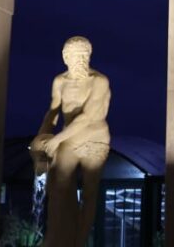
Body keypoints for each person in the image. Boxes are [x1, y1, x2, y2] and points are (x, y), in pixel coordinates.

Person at [31, 36, 113, 247]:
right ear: (65, 58)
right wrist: (40, 143)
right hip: (69, 139)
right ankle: (57, 237)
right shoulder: (60, 81)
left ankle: (80, 240)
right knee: (58, 184)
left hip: (94, 140)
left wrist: (58, 138)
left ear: (89, 56)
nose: (79, 61)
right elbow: (52, 113)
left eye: (83, 56)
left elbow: (88, 116)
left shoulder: (99, 81)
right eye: (74, 56)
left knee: (89, 191)